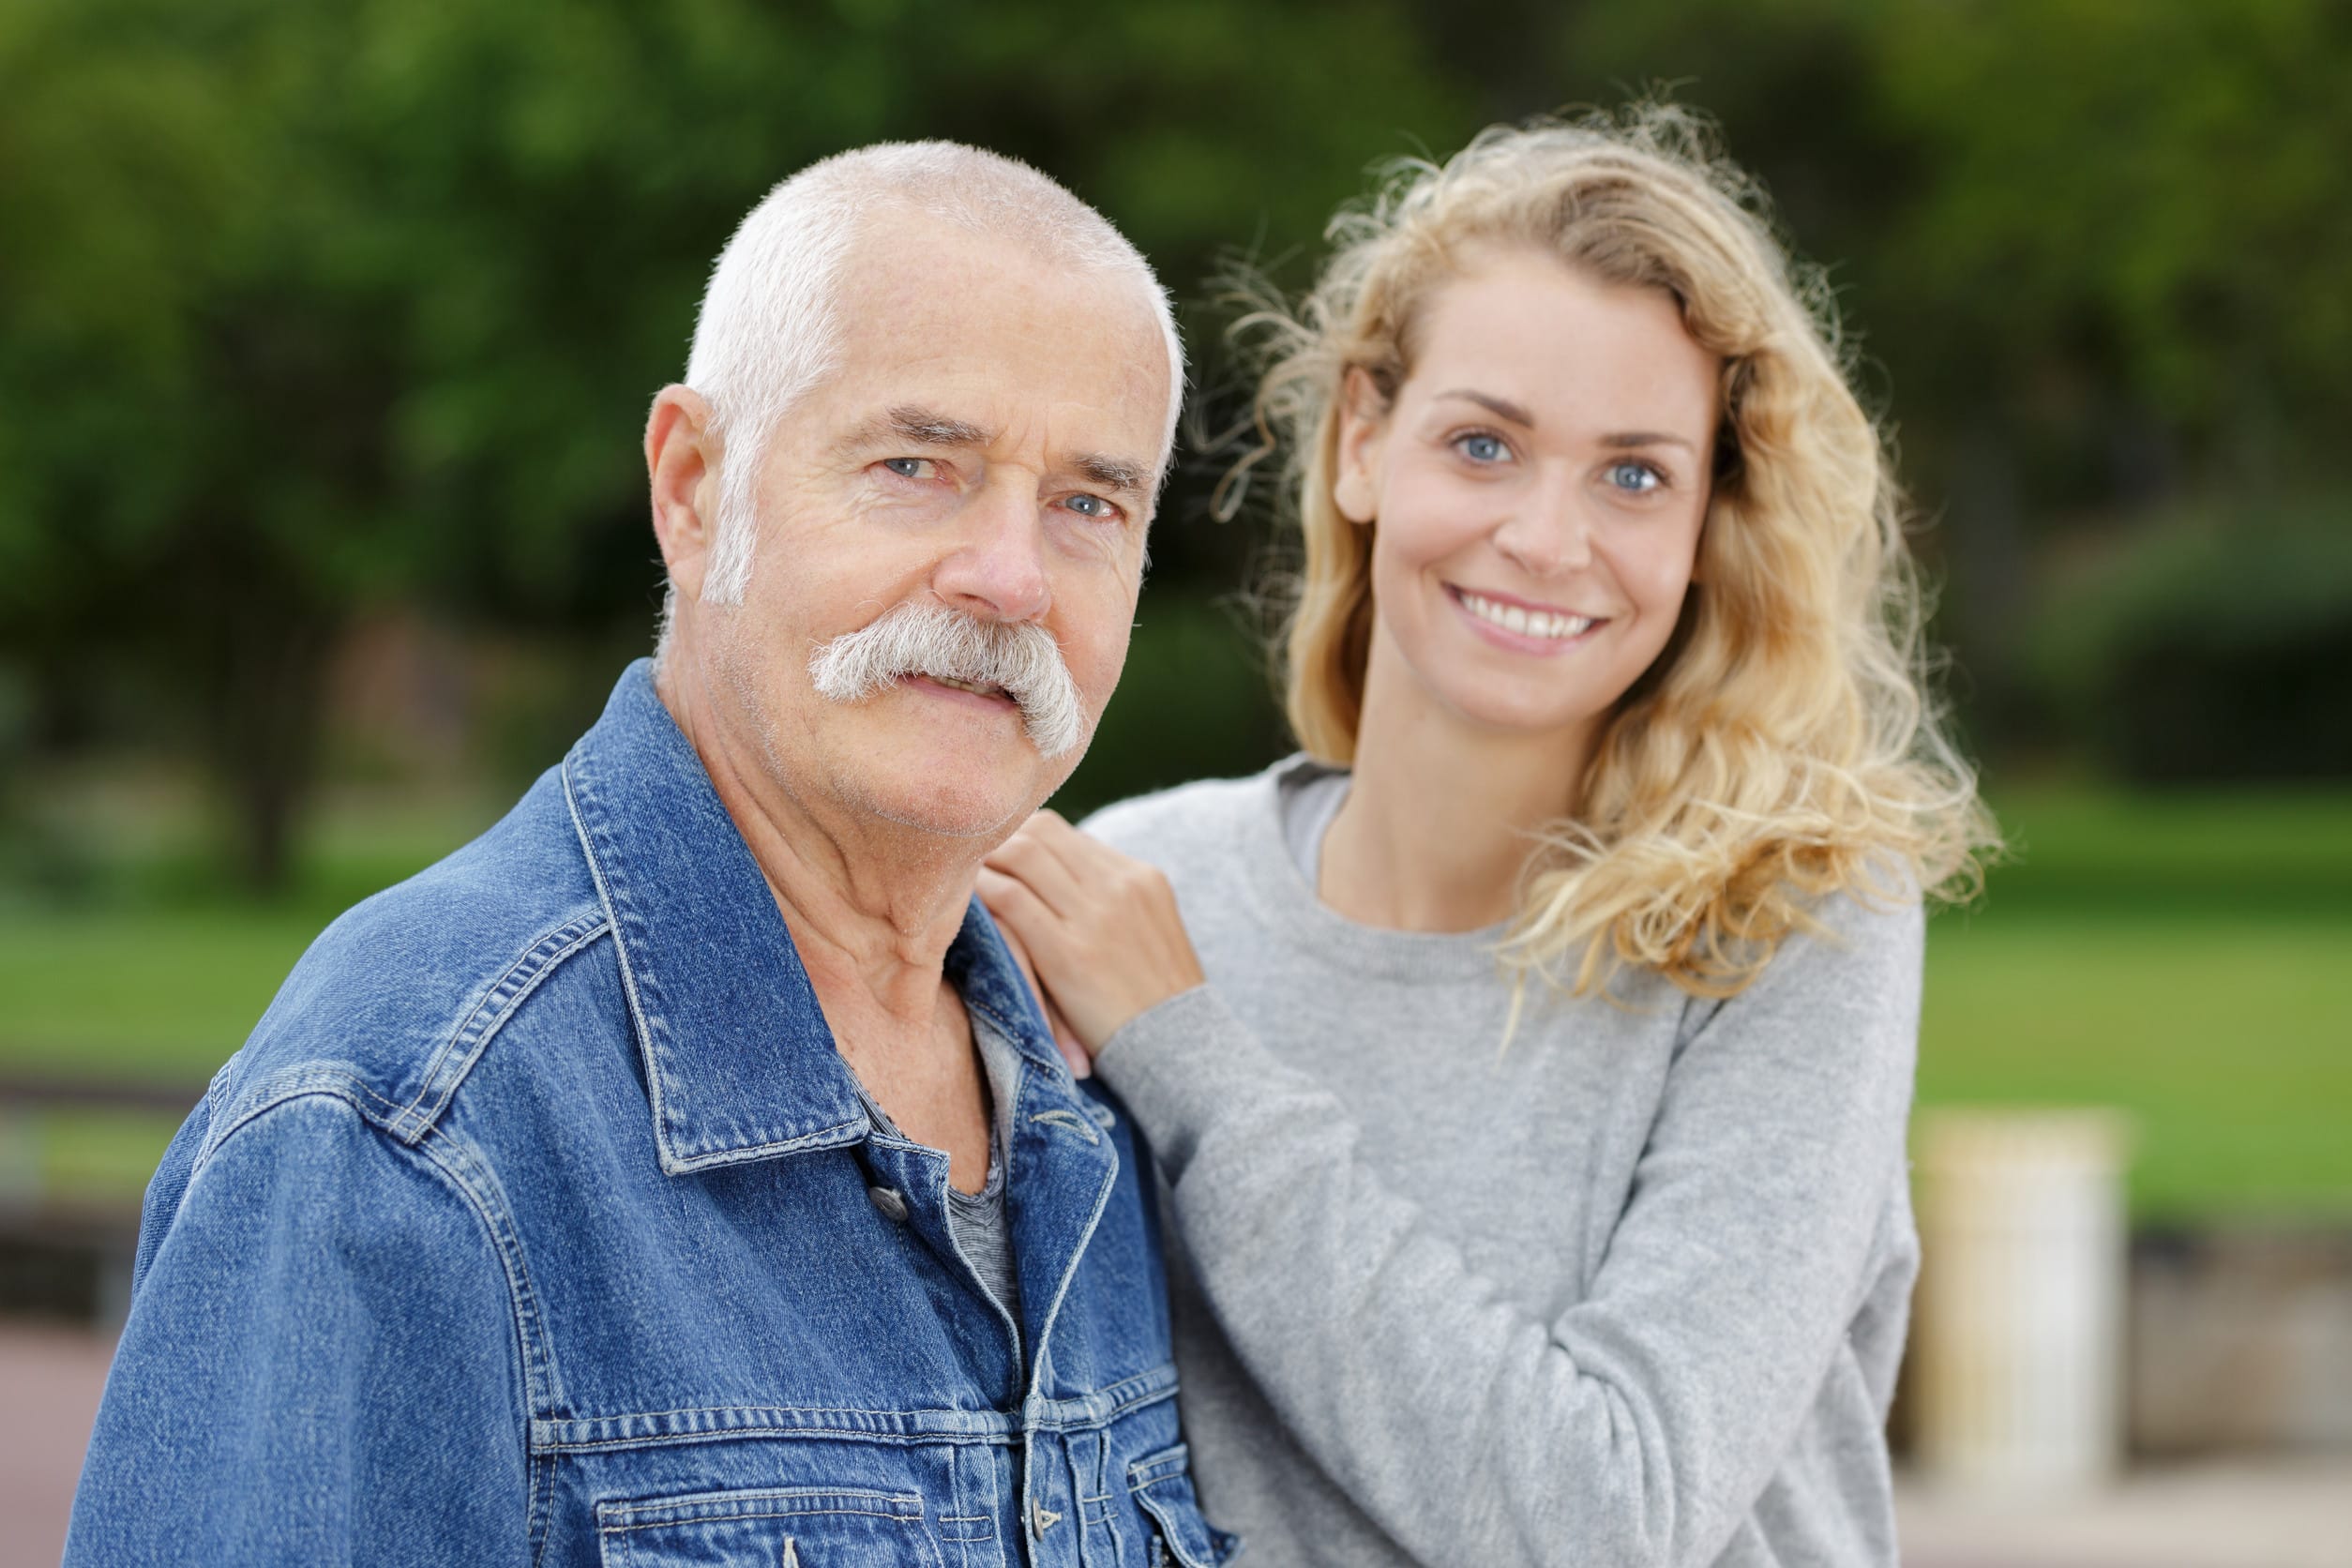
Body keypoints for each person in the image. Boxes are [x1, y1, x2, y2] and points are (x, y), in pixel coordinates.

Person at [68, 142, 1235, 1568]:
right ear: (694, 490)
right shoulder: (406, 1120)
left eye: (1089, 504)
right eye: (917, 465)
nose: (1012, 578)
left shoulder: (1086, 1110)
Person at [980, 110, 1998, 1568]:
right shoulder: (1138, 891)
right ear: (1361, 442)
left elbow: (1605, 1520)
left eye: (1634, 474)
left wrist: (1191, 1057)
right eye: (1484, 444)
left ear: (1712, 516)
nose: (1545, 535)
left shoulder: (1791, 923)